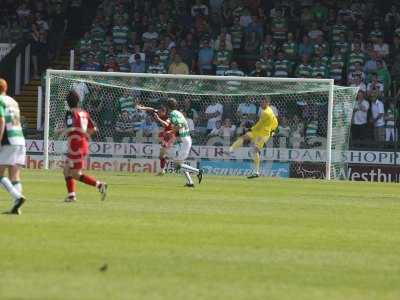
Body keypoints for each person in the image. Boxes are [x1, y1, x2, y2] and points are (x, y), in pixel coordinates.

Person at [137, 99, 203, 187]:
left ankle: (198, 172)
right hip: (185, 140)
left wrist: (171, 132)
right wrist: (142, 107)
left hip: (184, 141)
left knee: (177, 165)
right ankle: (190, 182)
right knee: (179, 164)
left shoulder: (172, 114)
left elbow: (180, 125)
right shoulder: (177, 112)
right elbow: (153, 109)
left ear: (167, 107)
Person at [63, 91, 107, 202]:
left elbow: (70, 128)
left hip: (75, 145)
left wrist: (61, 131)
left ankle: (99, 185)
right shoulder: (84, 113)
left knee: (75, 174)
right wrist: (84, 136)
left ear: (68, 103)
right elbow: (93, 129)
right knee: (66, 169)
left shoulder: (70, 113)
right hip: (82, 143)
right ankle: (71, 195)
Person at [229, 97, 278, 178]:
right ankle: (230, 150)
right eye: (261, 102)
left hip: (263, 134)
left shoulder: (266, 112)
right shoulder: (268, 110)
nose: (261, 104)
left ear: (267, 103)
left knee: (254, 151)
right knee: (243, 137)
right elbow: (275, 121)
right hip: (259, 132)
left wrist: (250, 129)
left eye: (263, 102)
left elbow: (259, 125)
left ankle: (256, 172)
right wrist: (273, 130)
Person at [0, 79, 26, 214]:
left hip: (8, 139)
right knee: (15, 176)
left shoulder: (0, 100)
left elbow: (2, 120)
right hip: (20, 139)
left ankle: (17, 197)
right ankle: (17, 208)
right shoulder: (13, 101)